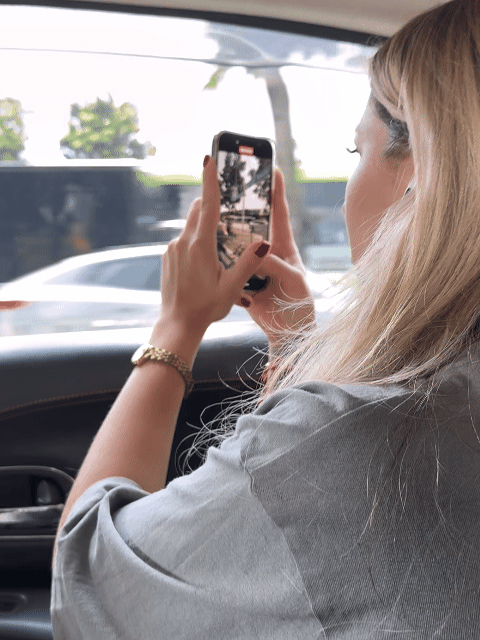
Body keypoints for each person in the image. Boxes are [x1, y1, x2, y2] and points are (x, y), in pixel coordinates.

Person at [51, 0, 480, 636]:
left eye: (356, 149)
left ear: (419, 177)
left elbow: (87, 581)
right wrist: (294, 338)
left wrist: (176, 329)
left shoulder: (362, 446)